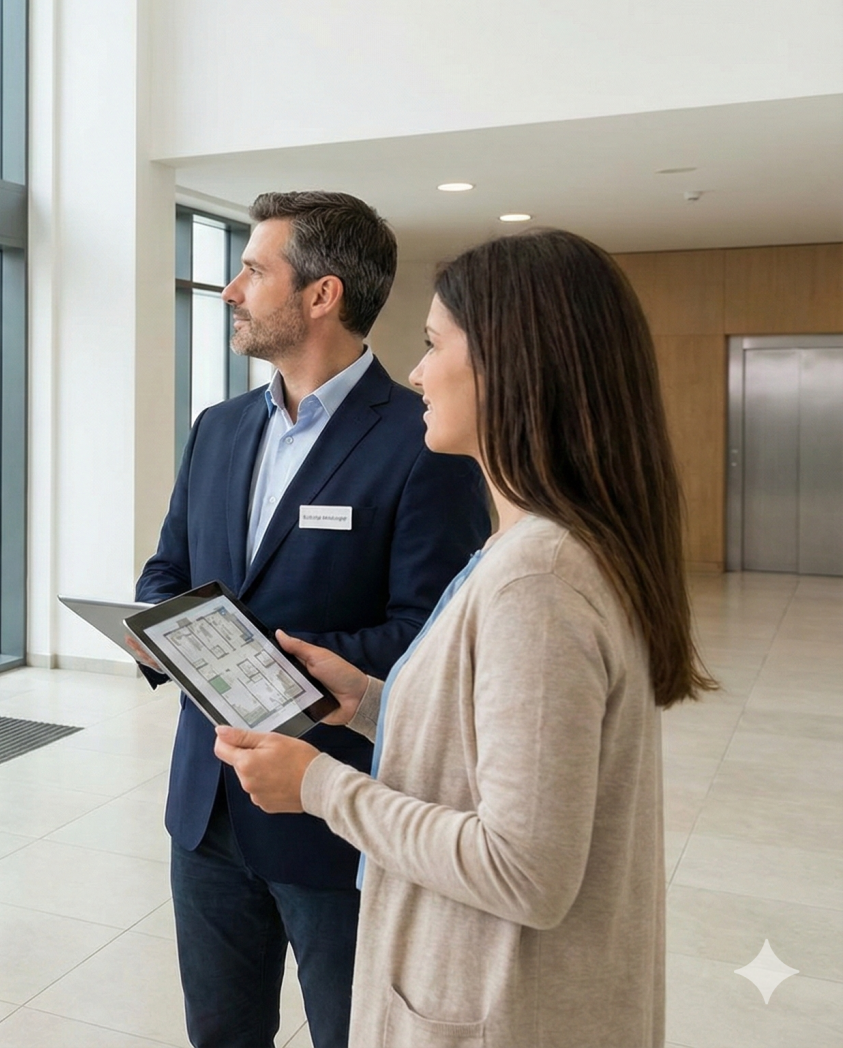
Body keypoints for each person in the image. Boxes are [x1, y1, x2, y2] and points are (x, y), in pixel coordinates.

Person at [215, 228, 714, 1048]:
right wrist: (372, 702)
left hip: (500, 1007)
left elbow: (522, 868)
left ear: (515, 367)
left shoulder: (538, 580)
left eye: (432, 344)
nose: (414, 372)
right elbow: (505, 749)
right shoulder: (542, 551)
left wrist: (318, 788)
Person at [134, 191, 489, 1048]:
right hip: (207, 810)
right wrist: (155, 630)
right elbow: (168, 570)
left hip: (336, 816)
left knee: (350, 1033)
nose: (231, 290)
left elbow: (429, 635)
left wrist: (257, 663)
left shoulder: (424, 440)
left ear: (322, 295)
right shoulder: (216, 429)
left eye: (254, 269)